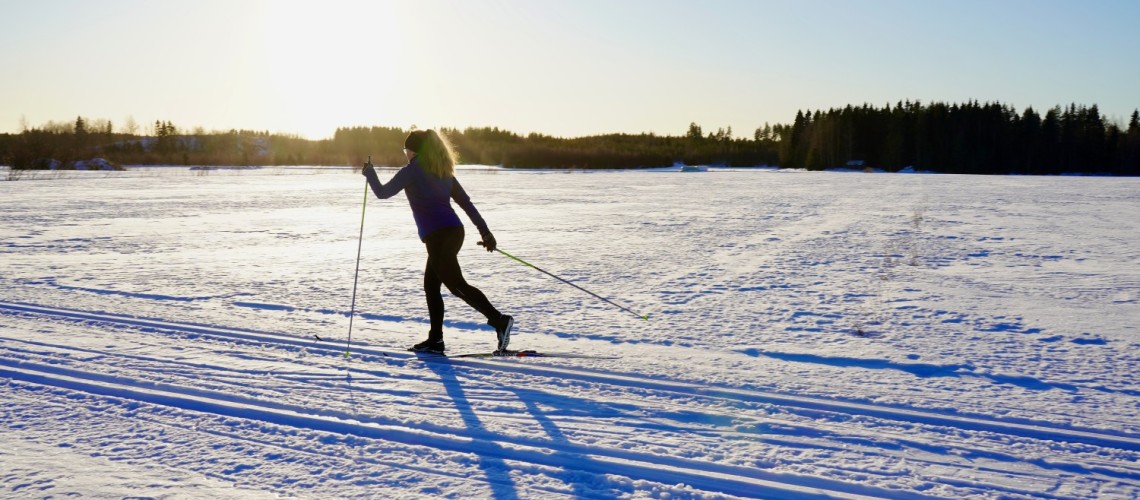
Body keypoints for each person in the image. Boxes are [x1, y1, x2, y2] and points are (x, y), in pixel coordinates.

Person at [361, 129, 513, 354]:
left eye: (406, 150)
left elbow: (383, 193)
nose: (405, 154)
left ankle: (499, 320)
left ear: (412, 151)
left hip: (439, 236)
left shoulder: (412, 170)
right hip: (453, 232)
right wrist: (485, 233)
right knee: (431, 287)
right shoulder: (442, 170)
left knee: (456, 285)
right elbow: (466, 204)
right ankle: (436, 340)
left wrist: (370, 174)